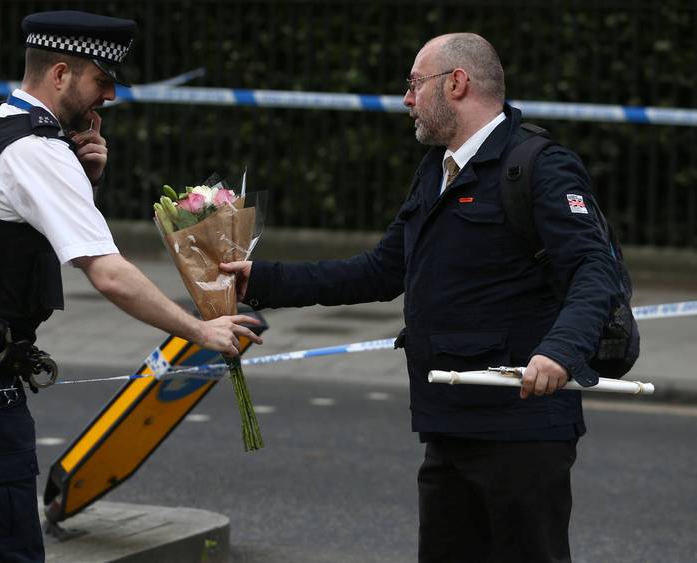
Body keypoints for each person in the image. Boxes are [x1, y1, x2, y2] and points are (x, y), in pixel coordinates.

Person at [222, 33, 621, 563]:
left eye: (414, 84)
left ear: (457, 83)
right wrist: (264, 281)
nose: (407, 98)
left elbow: (596, 269)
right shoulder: (437, 168)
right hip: (448, 420)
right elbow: (384, 269)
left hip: (521, 429)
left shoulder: (540, 166)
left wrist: (561, 352)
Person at [0, 10, 262, 562]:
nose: (109, 96)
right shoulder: (37, 150)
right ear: (60, 73)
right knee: (10, 552)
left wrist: (84, 179)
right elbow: (109, 273)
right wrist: (200, 329)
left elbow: (7, 234)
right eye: (101, 80)